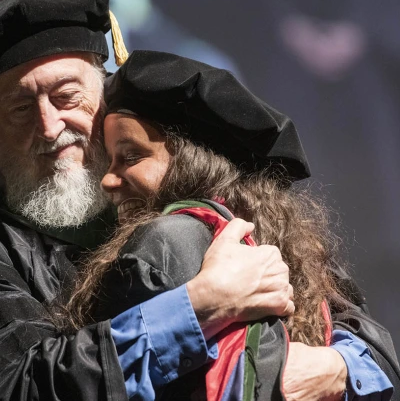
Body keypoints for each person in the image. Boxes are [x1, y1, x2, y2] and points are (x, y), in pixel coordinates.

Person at [0, 0, 296, 401]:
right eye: (20, 109)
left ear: (106, 91)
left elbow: (356, 327)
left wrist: (338, 365)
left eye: (66, 96)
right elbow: (13, 387)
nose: (50, 126)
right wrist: (197, 308)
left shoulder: (171, 179)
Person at [61, 50, 399, 400]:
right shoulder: (290, 244)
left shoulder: (167, 241)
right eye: (110, 161)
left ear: (192, 162)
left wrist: (338, 366)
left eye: (131, 156)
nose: (107, 181)